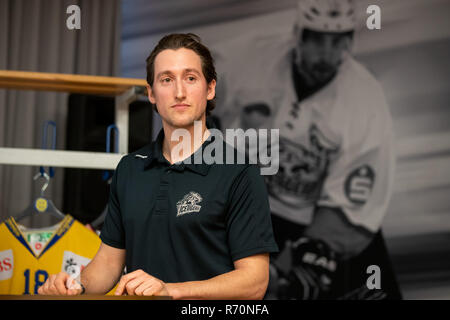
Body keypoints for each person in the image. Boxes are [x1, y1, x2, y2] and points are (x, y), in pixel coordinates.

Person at [38, 33, 279, 299]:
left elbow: (254, 282)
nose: (179, 92)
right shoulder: (130, 169)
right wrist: (75, 286)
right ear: (151, 93)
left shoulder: (239, 172)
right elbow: (109, 263)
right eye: (166, 79)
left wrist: (170, 291)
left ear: (210, 88)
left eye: (190, 78)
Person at [214, 0, 402, 299]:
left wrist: (313, 254)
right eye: (316, 40)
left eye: (338, 42)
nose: (326, 55)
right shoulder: (247, 60)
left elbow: (353, 204)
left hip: (318, 217)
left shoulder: (366, 101)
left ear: (350, 41)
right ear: (297, 34)